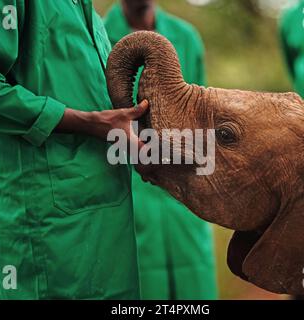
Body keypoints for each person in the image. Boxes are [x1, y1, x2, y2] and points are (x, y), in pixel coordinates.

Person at [0, 0, 149, 299]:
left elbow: (103, 114)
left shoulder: (83, 10)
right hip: (48, 229)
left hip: (106, 226)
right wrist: (88, 123)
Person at [104, 0, 217, 300]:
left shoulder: (186, 37)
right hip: (129, 187)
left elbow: (200, 117)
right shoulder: (101, 37)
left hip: (183, 194)